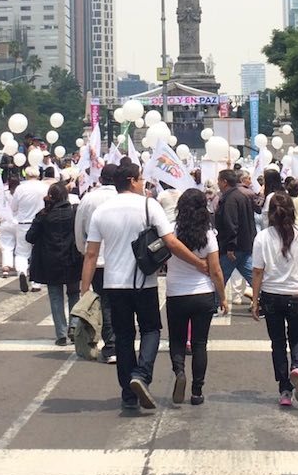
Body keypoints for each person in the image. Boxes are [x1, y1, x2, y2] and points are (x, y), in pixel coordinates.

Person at [80, 161, 210, 411]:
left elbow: (91, 254)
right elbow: (170, 243)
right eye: (140, 178)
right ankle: (141, 374)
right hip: (144, 282)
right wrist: (198, 263)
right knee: (151, 330)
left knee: (124, 337)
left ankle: (128, 395)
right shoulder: (149, 205)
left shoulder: (102, 211)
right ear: (131, 180)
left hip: (113, 284)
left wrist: (85, 290)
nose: (143, 183)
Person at [251, 191, 298, 406]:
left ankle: (284, 390)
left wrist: (254, 301)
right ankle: (297, 367)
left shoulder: (262, 237)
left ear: (270, 214)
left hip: (272, 296)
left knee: (278, 343)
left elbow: (257, 272)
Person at [166, 188, 227, 405]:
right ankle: (197, 391)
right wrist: (223, 297)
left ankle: (179, 372)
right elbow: (217, 270)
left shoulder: (171, 232)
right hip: (203, 293)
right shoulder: (209, 234)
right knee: (200, 343)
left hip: (176, 293)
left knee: (177, 340)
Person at [26, 181, 81, 346]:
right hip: (72, 259)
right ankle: (75, 327)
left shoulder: (43, 215)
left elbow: (30, 237)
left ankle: (61, 334)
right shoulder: (74, 213)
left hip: (50, 261)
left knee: (56, 297)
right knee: (74, 295)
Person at [74, 163, 118, 363]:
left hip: (97, 259)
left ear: (100, 178)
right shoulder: (125, 198)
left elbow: (79, 228)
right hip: (121, 259)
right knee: (121, 302)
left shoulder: (89, 198)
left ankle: (111, 345)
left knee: (105, 302)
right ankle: (117, 343)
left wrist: (83, 250)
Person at [215, 169, 257, 287]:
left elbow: (231, 224)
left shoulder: (230, 200)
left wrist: (230, 247)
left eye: (218, 180)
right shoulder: (241, 196)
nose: (217, 183)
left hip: (232, 249)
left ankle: (215, 303)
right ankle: (266, 295)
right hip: (244, 244)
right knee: (253, 276)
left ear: (224, 182)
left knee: (219, 279)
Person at [12, 166, 50, 292]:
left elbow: (13, 207)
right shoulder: (44, 187)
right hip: (40, 223)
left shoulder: (20, 188)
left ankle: (22, 271)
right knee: (38, 253)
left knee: (21, 253)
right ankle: (36, 283)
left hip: (23, 223)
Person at [0, 175, 19, 277]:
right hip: (18, 222)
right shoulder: (20, 194)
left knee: (6, 246)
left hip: (5, 222)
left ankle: (6, 267)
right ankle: (20, 267)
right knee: (20, 247)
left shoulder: (4, 194)